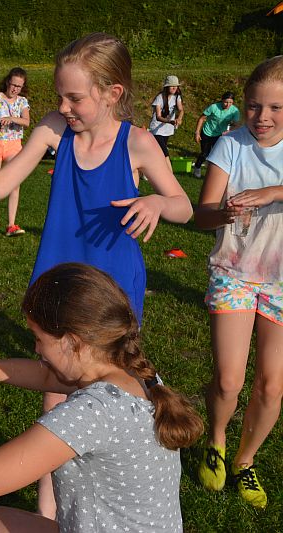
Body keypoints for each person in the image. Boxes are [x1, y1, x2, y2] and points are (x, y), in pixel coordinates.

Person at [0, 33, 193, 519]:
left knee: (106, 385)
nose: (63, 106)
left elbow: (184, 206)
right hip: (58, 284)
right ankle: (52, 516)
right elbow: (2, 182)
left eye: (75, 97)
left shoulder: (138, 142)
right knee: (56, 397)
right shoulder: (52, 129)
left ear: (112, 92)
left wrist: (156, 202)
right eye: (59, 96)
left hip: (109, 294)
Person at [0, 262, 203, 533]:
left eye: (39, 339)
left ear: (73, 342)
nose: (37, 350)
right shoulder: (134, 375)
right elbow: (51, 376)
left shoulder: (93, 412)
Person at [194, 56, 283, 510]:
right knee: (229, 381)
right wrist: (222, 212)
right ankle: (217, 440)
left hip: (281, 283)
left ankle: (247, 461)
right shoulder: (230, 144)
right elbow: (202, 209)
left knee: (271, 387)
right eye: (253, 106)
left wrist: (272, 192)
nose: (261, 118)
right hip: (233, 272)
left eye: (275, 108)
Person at [0, 67, 30, 236]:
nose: (15, 88)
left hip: (13, 144)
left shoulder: (22, 102)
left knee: (14, 183)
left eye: (19, 86)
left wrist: (11, 119)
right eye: (13, 84)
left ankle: (11, 224)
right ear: (8, 81)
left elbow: (26, 122)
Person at [192, 92, 240, 178]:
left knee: (217, 155)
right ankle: (197, 167)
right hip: (207, 132)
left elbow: (237, 124)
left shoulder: (234, 110)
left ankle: (212, 174)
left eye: (230, 102)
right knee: (205, 154)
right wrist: (197, 132)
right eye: (226, 102)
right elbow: (201, 118)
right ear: (222, 100)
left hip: (220, 135)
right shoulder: (214, 107)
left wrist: (229, 131)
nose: (228, 104)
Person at [148, 75, 184, 170]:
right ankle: (170, 173)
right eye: (172, 86)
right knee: (165, 153)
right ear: (166, 87)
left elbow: (181, 110)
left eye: (176, 86)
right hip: (156, 129)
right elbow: (158, 117)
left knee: (157, 152)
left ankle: (145, 171)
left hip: (167, 129)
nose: (174, 88)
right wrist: (170, 121)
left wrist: (179, 119)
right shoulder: (160, 97)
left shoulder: (177, 97)